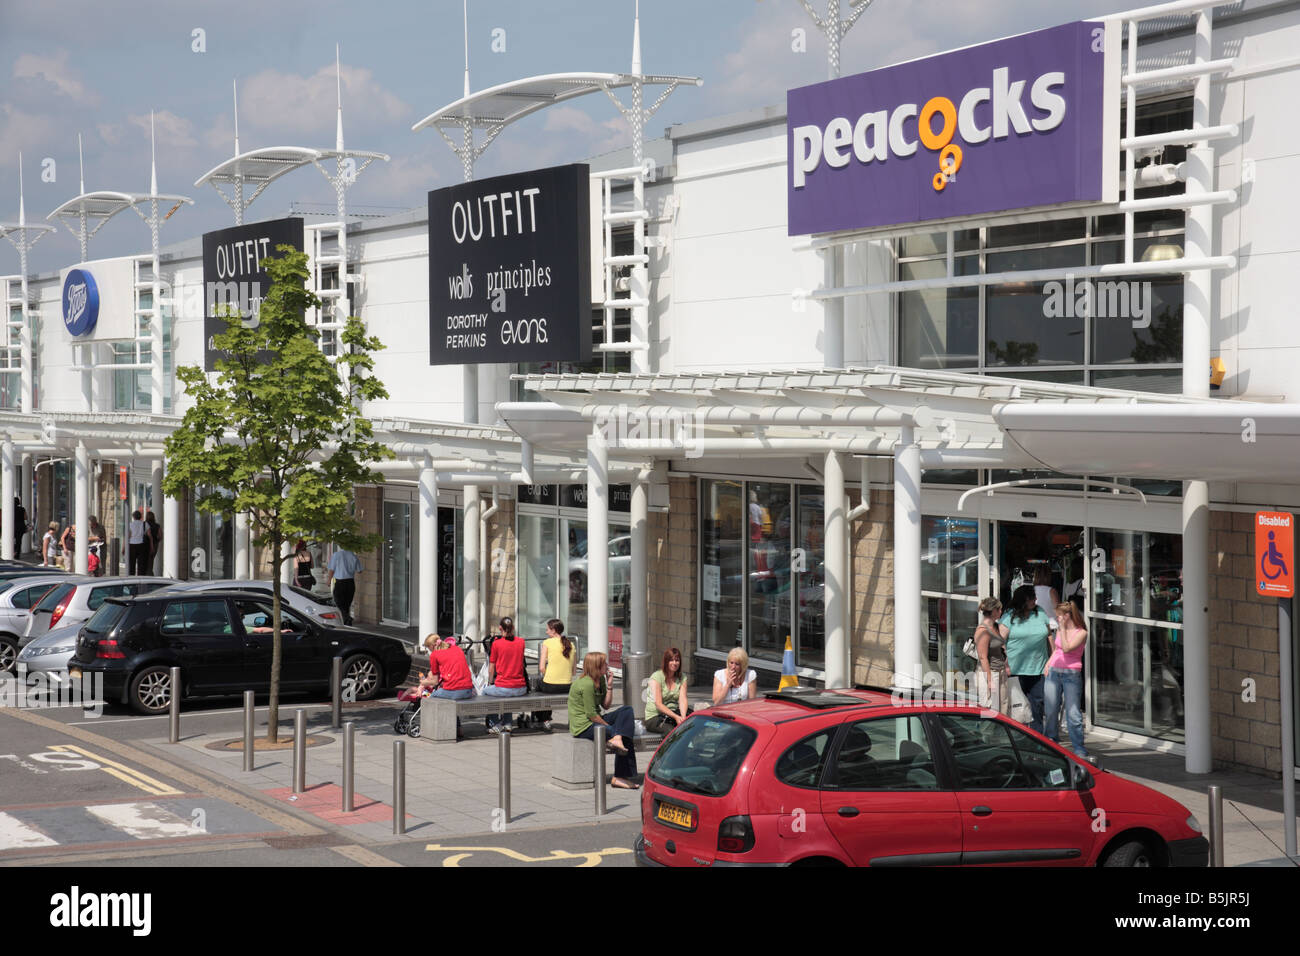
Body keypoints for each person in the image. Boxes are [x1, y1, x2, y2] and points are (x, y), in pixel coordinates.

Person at [569, 651, 637, 789]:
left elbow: (606, 705)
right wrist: (612, 730)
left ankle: (619, 772)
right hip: (583, 726)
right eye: (604, 663)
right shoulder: (586, 684)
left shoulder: (600, 679)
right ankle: (620, 777)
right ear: (596, 666)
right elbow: (591, 715)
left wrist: (610, 685)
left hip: (595, 720)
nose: (607, 665)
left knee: (626, 710)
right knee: (622, 735)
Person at [999, 584, 1052, 733]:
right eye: (1031, 598)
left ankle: (1037, 740)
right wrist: (1006, 663)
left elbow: (1049, 636)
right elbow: (999, 641)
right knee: (1018, 707)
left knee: (1037, 705)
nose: (1035, 600)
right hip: (1016, 670)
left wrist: (1051, 659)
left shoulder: (1040, 612)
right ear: (1023, 600)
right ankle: (1019, 737)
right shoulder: (1009, 616)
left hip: (1038, 669)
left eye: (1035, 597)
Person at [1043, 602, 1089, 757]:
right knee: (1050, 709)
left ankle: (1078, 747)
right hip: (1055, 671)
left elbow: (1067, 648)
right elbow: (1057, 649)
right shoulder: (1060, 630)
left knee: (1073, 712)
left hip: (1071, 673)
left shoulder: (1081, 632)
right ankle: (1051, 740)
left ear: (1067, 616)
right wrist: (1048, 663)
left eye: (1059, 615)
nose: (1057, 618)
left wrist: (1062, 629)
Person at [483, 617, 528, 733]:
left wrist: (490, 681)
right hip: (521, 687)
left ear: (500, 628)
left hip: (504, 687)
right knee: (507, 697)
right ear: (513, 628)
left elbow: (492, 667)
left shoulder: (497, 644)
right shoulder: (521, 642)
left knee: (485, 692)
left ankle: (495, 723)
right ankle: (507, 723)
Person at [535, 617, 574, 732]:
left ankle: (543, 719)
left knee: (539, 688)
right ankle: (545, 719)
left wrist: (549, 675)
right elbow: (574, 671)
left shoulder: (547, 643)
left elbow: (541, 667)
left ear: (553, 630)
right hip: (567, 686)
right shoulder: (571, 644)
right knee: (544, 688)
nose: (546, 632)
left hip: (551, 685)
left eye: (547, 629)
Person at [973, 597, 1009, 715]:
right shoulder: (983, 630)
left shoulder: (996, 626)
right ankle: (986, 734)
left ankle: (1001, 733)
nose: (1001, 612)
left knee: (1003, 709)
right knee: (990, 711)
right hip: (990, 673)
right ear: (993, 611)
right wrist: (989, 681)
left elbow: (999, 646)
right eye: (999, 610)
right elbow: (983, 657)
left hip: (1000, 670)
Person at [645, 646, 689, 734]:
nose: (674, 663)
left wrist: (683, 717)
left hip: (673, 713)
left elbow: (683, 699)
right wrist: (676, 717)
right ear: (666, 662)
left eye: (677, 660)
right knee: (672, 732)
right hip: (655, 716)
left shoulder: (682, 677)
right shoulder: (657, 676)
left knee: (692, 725)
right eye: (671, 660)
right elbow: (658, 704)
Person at [326, 545, 362, 625]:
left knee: (338, 603)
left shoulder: (336, 555)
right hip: (350, 583)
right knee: (346, 604)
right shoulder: (353, 555)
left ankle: (347, 618)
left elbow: (331, 569)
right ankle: (347, 622)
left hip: (340, 583)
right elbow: (360, 570)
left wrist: (329, 580)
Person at [128, 510, 148, 576]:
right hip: (141, 544)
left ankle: (132, 577)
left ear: (133, 517)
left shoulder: (130, 524)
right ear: (140, 516)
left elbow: (128, 535)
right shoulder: (145, 524)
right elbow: (149, 535)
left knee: (132, 563)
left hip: (132, 544)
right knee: (141, 563)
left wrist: (124, 547)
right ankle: (140, 576)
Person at [145, 510, 161, 574]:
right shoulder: (157, 525)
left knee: (145, 559)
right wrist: (157, 541)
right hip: (154, 544)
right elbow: (160, 536)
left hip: (145, 544)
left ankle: (148, 573)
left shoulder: (144, 524)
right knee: (151, 559)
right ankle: (149, 571)